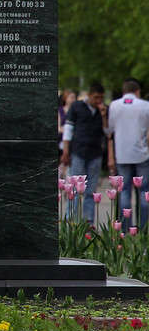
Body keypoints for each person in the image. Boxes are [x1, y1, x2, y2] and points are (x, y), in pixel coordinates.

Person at [61, 82, 111, 224]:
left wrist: (103, 116)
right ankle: (70, 219)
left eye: (101, 98)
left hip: (95, 154)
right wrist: (65, 150)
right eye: (96, 97)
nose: (98, 101)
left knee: (91, 190)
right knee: (75, 190)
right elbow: (68, 129)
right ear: (89, 95)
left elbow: (108, 133)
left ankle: (89, 221)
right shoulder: (77, 106)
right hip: (78, 152)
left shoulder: (104, 110)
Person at [108, 78, 149, 230]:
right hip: (141, 154)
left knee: (124, 191)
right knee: (144, 192)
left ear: (124, 91)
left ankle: (125, 229)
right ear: (137, 91)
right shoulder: (145, 105)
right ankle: (144, 229)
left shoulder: (114, 105)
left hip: (122, 154)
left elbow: (110, 129)